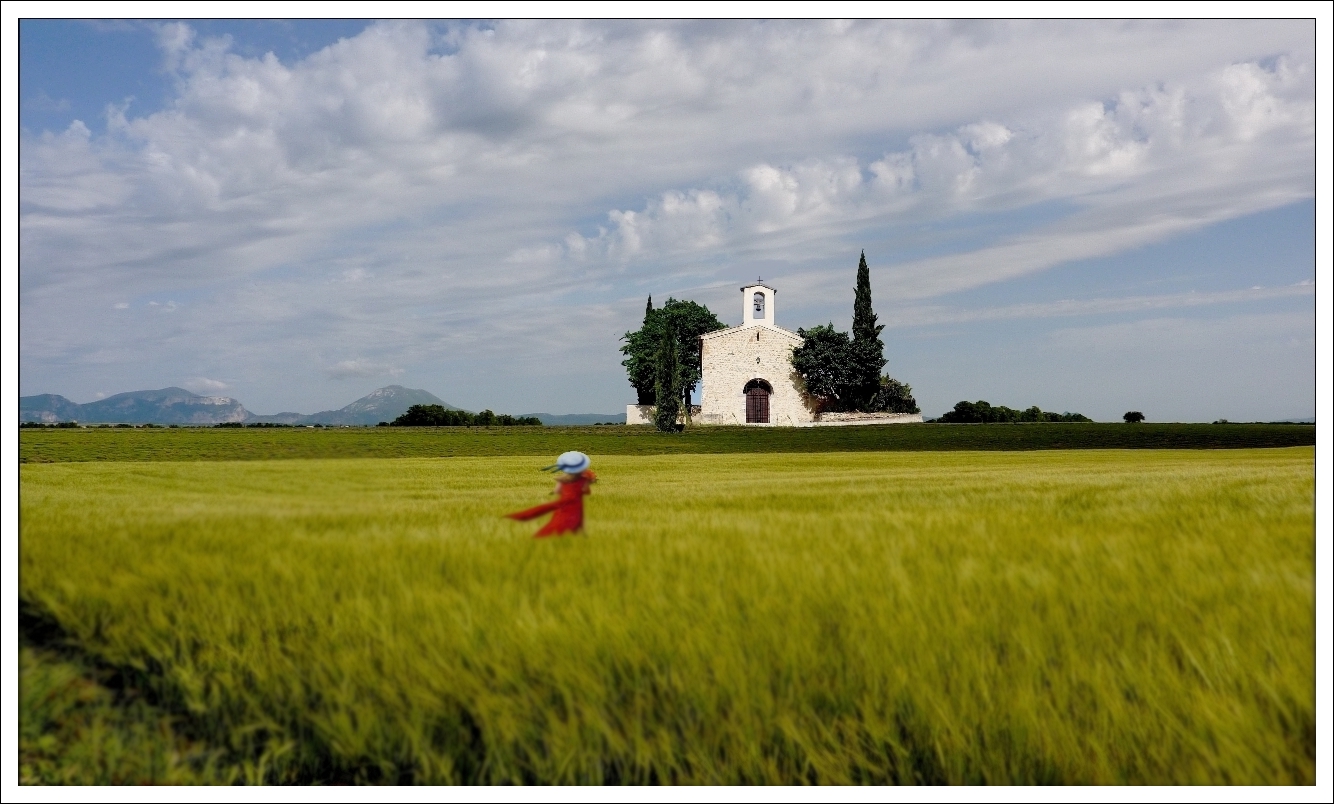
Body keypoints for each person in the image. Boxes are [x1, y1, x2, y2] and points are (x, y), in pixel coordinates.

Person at [505, 451, 596, 537]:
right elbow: (586, 491)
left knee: (559, 520)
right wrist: (589, 481)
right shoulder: (583, 479)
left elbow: (557, 491)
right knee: (576, 519)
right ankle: (579, 533)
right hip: (576, 504)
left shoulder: (562, 480)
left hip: (563, 503)